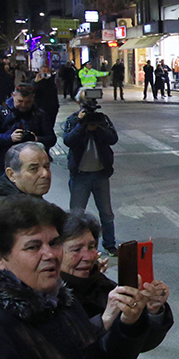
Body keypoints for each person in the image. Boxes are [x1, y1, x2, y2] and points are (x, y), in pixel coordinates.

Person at [0, 195, 150, 359]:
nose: (51, 254)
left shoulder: (60, 300)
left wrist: (128, 325)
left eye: (54, 243)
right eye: (33, 247)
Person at [60, 211, 173, 359]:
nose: (88, 256)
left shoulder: (103, 286)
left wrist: (152, 312)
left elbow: (140, 345)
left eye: (92, 246)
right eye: (76, 249)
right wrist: (104, 319)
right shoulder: (45, 298)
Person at [64, 88, 120, 256]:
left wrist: (98, 128)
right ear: (78, 103)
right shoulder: (74, 120)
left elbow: (113, 138)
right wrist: (81, 125)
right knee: (76, 213)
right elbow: (68, 140)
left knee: (107, 213)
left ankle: (109, 244)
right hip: (80, 175)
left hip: (100, 174)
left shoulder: (102, 119)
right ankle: (75, 244)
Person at [0, 84, 57, 180]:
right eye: (20, 101)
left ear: (33, 98)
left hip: (31, 166)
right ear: (13, 95)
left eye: (28, 102)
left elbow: (51, 138)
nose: (23, 105)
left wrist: (36, 139)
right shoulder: (1, 111)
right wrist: (9, 138)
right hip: (4, 164)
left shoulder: (40, 115)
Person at [0, 141, 52, 208]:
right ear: (11, 174)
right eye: (33, 169)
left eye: (46, 167)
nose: (45, 174)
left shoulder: (30, 201)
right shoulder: (8, 214)